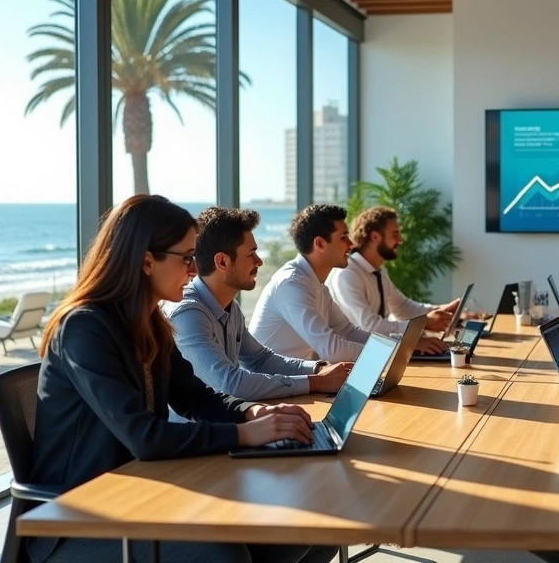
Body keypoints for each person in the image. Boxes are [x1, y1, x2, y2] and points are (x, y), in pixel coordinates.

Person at [28, 194, 337, 563]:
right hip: (79, 519)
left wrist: (251, 413)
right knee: (226, 556)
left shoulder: (149, 323)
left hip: (140, 491)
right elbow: (143, 437)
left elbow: (196, 396)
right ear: (146, 261)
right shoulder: (84, 328)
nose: (194, 269)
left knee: (315, 525)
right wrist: (243, 433)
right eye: (187, 258)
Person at [164, 207, 353, 400]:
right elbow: (230, 384)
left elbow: (260, 360)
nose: (259, 262)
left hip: (228, 422)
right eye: (251, 254)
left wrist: (319, 369)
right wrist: (318, 382)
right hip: (196, 428)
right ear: (222, 262)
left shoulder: (231, 307)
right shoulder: (187, 313)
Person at [327, 206, 457, 356]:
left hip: (378, 353)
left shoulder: (379, 271)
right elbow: (370, 326)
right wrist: (423, 324)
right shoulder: (347, 275)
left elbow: (402, 307)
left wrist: (442, 310)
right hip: (354, 361)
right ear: (375, 237)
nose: (400, 240)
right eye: (395, 234)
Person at [249, 204, 371, 362]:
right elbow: (333, 350)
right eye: (343, 237)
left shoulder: (317, 286)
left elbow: (348, 333)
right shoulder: (291, 285)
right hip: (270, 384)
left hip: (297, 381)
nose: (351, 244)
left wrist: (397, 347)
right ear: (320, 244)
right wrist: (388, 354)